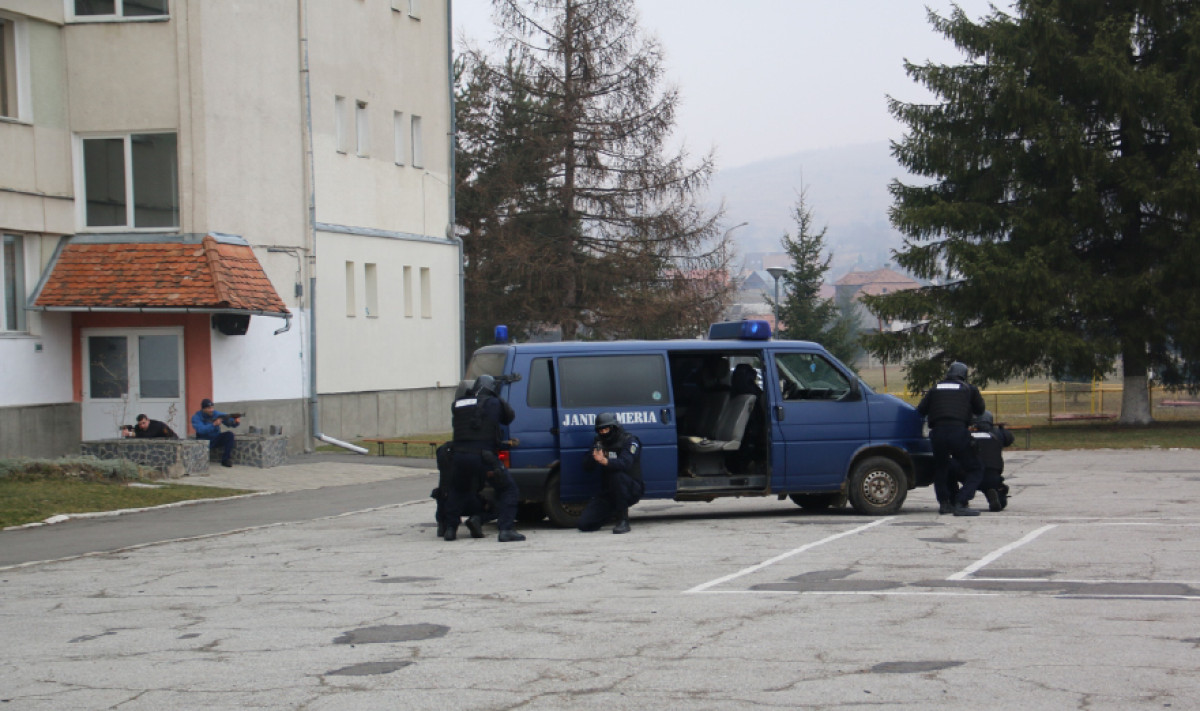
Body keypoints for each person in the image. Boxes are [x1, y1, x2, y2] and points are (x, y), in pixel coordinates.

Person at [443, 375, 524, 542]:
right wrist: (496, 397)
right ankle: (506, 530)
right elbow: (509, 417)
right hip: (483, 457)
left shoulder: (458, 403)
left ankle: (450, 529)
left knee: (457, 491)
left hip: (459, 456)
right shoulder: (494, 403)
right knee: (508, 489)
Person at [916, 361, 986, 516]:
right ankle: (961, 501)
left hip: (938, 433)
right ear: (964, 375)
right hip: (958, 432)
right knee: (976, 469)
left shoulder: (935, 388)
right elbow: (980, 410)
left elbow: (921, 410)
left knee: (941, 468)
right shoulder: (969, 389)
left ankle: (944, 504)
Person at [578, 412, 645, 534]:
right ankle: (612, 513)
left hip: (630, 488)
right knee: (585, 524)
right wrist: (594, 457)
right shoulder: (599, 442)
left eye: (606, 429)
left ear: (614, 427)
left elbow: (625, 463)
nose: (604, 432)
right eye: (601, 430)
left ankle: (623, 520)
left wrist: (604, 461)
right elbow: (586, 467)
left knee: (616, 475)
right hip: (610, 492)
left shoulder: (629, 441)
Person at [971, 410, 1014, 511]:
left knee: (963, 480)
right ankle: (996, 496)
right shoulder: (998, 434)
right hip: (992, 474)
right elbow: (1009, 439)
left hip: (971, 475)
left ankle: (960, 499)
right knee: (998, 493)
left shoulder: (968, 434)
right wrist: (1001, 429)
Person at [191, 398, 240, 468]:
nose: (211, 410)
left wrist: (235, 422)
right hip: (203, 440)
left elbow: (227, 420)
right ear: (203, 409)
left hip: (215, 438)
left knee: (230, 435)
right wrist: (213, 425)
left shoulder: (216, 414)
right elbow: (200, 430)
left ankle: (225, 460)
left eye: (212, 407)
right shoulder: (196, 417)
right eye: (208, 408)